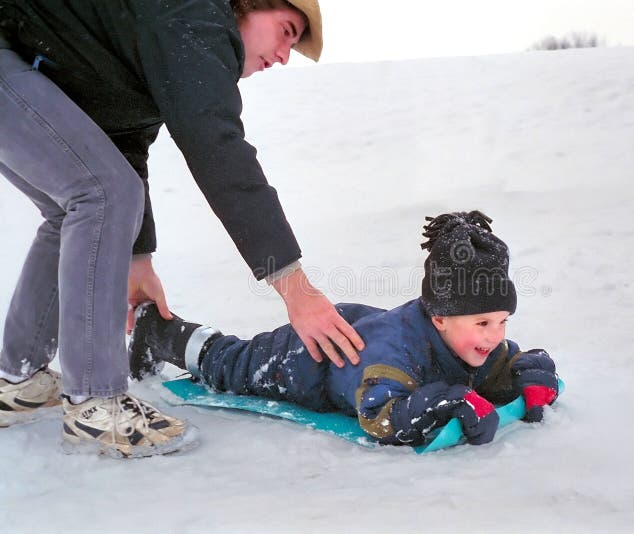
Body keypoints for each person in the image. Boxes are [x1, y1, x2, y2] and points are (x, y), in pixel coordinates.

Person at [0, 0, 364, 458]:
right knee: (101, 194)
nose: (284, 55)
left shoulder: (173, 35)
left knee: (77, 202)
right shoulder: (194, 21)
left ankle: (18, 379)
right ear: (250, 6)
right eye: (286, 31)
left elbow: (122, 137)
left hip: (17, 61)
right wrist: (296, 289)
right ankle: (96, 401)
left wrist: (138, 258)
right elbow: (219, 153)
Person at [129, 212, 560, 446]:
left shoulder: (473, 342)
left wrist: (531, 376)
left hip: (362, 323)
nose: (494, 336)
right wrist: (447, 402)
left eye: (502, 322)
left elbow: (509, 365)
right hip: (308, 359)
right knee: (230, 364)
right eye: (483, 323)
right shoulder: (393, 356)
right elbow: (381, 416)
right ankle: (159, 331)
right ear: (441, 318)